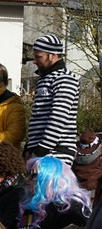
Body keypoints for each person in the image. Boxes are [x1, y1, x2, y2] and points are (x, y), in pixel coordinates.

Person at [25, 35, 79, 166]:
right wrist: (29, 146)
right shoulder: (44, 79)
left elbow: (58, 117)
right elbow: (38, 118)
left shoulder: (65, 79)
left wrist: (42, 149)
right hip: (40, 149)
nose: (34, 61)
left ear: (52, 55)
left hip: (56, 151)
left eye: (39, 57)